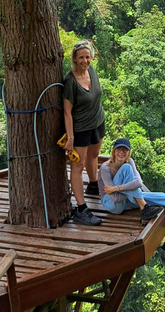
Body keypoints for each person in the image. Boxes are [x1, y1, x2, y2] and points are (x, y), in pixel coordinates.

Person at [99, 139, 165, 255]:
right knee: (127, 169)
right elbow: (114, 198)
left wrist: (116, 188)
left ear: (129, 152)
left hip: (128, 196)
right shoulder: (105, 168)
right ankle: (144, 208)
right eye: (119, 149)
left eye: (125, 150)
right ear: (114, 151)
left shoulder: (130, 161)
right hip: (112, 204)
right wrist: (128, 190)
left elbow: (138, 183)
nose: (121, 152)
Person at [63, 40, 104, 226]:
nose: (85, 61)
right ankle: (81, 208)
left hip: (97, 123)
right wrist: (70, 137)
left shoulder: (92, 72)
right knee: (77, 167)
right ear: (74, 58)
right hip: (80, 129)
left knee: (94, 154)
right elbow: (67, 112)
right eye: (81, 57)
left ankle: (93, 185)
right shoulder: (70, 81)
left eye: (87, 57)